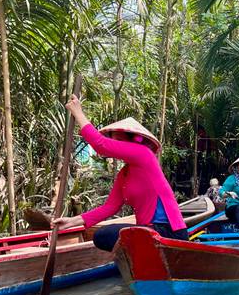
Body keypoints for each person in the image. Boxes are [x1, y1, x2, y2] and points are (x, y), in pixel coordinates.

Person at [53, 95, 188, 250]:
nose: (113, 141)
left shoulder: (143, 154)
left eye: (116, 138)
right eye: (112, 138)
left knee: (104, 234)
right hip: (147, 231)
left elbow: (100, 144)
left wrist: (78, 113)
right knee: (102, 237)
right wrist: (71, 221)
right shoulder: (124, 174)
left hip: (169, 232)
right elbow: (109, 207)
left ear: (131, 138)